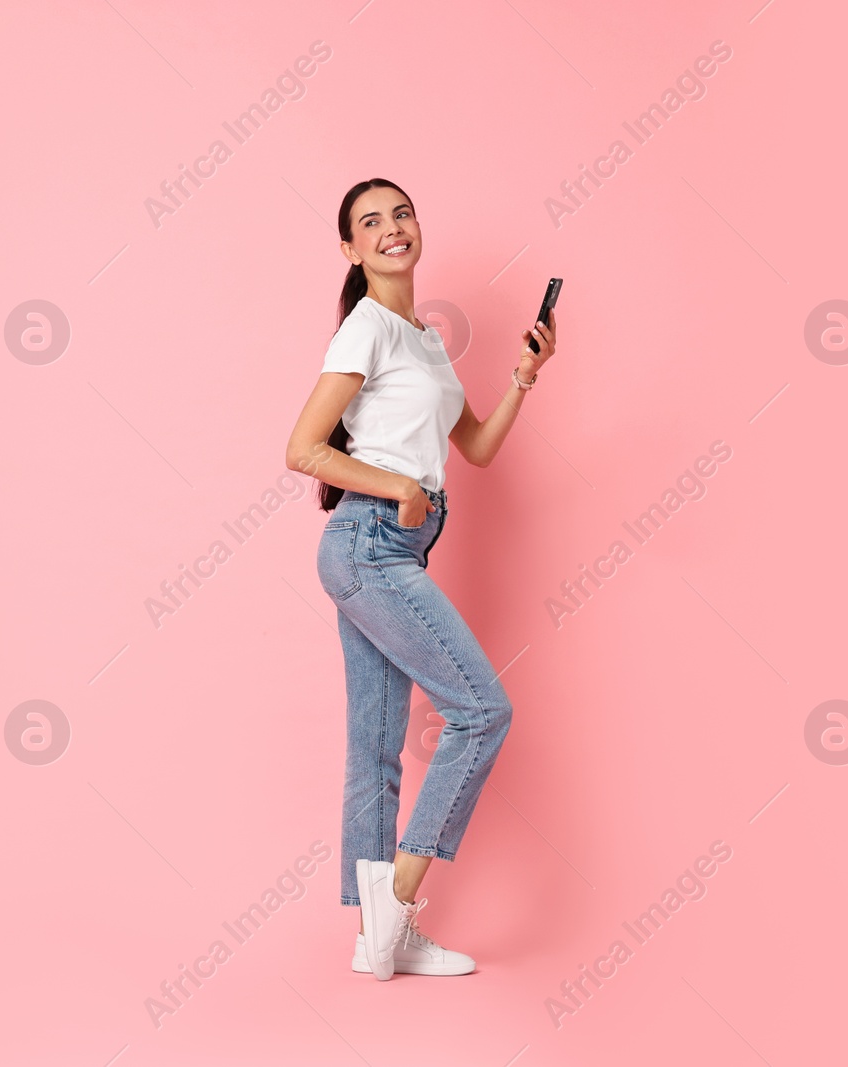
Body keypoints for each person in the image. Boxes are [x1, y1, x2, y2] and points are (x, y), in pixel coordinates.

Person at [283, 178, 557, 980]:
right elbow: (303, 448)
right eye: (371, 222)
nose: (392, 229)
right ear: (351, 249)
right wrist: (399, 487)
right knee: (482, 710)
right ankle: (394, 912)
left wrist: (522, 378)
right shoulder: (365, 329)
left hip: (389, 550)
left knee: (375, 747)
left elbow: (473, 448)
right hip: (370, 543)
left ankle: (381, 942)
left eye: (400, 213)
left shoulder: (422, 339)